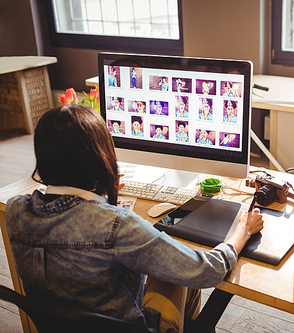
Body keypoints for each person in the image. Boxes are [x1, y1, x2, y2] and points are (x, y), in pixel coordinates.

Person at [4, 104, 264, 333]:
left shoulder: (16, 211)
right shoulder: (116, 225)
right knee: (179, 265)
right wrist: (241, 231)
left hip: (59, 325)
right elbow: (208, 271)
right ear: (100, 156)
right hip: (128, 326)